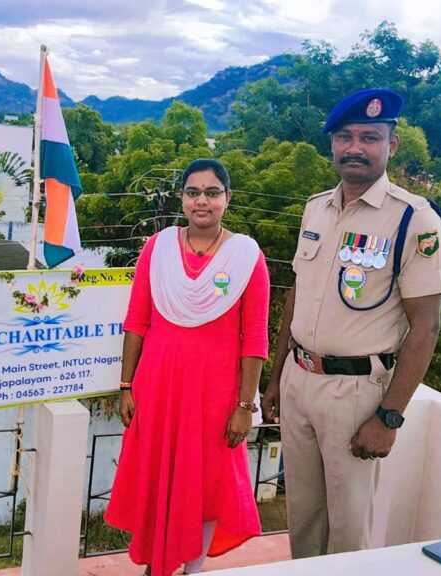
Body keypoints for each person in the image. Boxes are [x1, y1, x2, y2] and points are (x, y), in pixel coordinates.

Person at [261, 88, 441, 558]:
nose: (355, 148)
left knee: (348, 529)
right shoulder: (316, 207)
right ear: (332, 144)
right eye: (345, 137)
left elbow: (425, 329)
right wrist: (277, 377)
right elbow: (298, 296)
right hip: (299, 379)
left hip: (357, 394)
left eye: (369, 137)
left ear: (392, 145)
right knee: (303, 519)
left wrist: (389, 417)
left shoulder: (414, 220)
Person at [105, 158, 270, 576]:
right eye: (193, 192)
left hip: (215, 396)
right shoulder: (158, 248)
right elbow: (137, 320)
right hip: (158, 388)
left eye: (212, 193)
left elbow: (254, 338)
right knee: (156, 475)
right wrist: (126, 386)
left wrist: (244, 407)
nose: (202, 201)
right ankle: (156, 563)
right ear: (182, 198)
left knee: (206, 482)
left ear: (227, 198)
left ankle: (191, 569)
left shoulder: (246, 256)